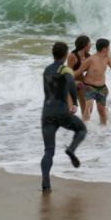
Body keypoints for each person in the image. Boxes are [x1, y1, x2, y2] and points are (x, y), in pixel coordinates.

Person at [41, 42, 87, 193]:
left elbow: (56, 85)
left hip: (47, 112)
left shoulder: (47, 70)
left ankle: (46, 182)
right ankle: (71, 150)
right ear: (66, 54)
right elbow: (69, 83)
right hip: (61, 111)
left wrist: (73, 83)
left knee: (49, 151)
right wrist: (74, 102)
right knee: (81, 129)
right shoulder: (65, 68)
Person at [76, 38, 111, 125]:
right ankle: (82, 129)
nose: (109, 49)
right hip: (89, 86)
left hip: (102, 88)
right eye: (108, 47)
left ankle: (103, 132)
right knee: (88, 108)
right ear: (104, 48)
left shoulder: (107, 58)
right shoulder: (91, 59)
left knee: (102, 112)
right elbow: (78, 71)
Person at [66, 35, 91, 114]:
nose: (91, 45)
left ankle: (85, 126)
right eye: (89, 43)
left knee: (87, 110)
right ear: (85, 45)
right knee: (71, 110)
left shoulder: (88, 56)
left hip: (81, 83)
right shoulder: (73, 56)